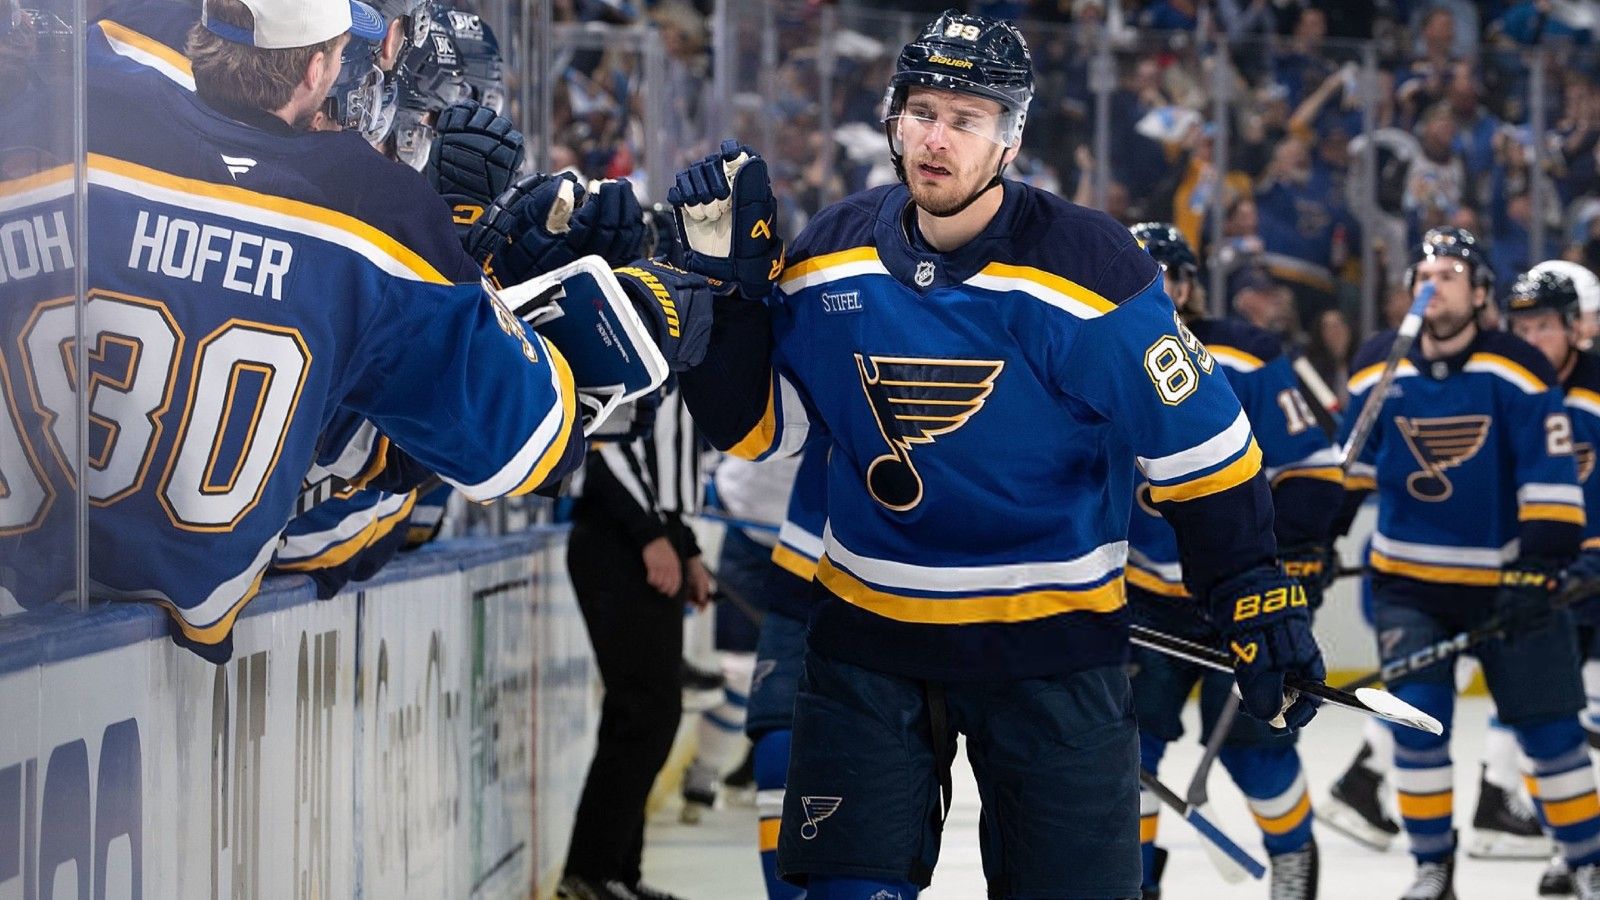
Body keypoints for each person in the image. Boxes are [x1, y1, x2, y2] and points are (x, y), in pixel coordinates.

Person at [673, 11, 1324, 898]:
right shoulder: (830, 252)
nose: (935, 139)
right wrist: (724, 304)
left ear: (1010, 140)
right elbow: (762, 432)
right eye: (921, 112)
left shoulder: (1090, 267)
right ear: (893, 121)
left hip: (1051, 652)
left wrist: (1248, 586)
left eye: (965, 118)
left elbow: (1203, 445)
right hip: (868, 645)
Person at [4, 0, 705, 660]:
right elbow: (532, 447)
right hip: (180, 619)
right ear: (318, 69)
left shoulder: (80, 124)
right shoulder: (374, 212)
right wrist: (611, 307)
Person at [1334, 227, 1600, 900]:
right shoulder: (1375, 365)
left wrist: (1539, 567)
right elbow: (1348, 471)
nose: (1434, 285)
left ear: (1481, 293)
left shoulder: (1517, 367)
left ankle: (1587, 861)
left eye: (1450, 274)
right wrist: (1309, 544)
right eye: (1425, 274)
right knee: (1415, 730)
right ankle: (1432, 868)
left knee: (1552, 735)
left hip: (1508, 582)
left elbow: (1548, 473)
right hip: (1409, 586)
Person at [1125, 223, 1343, 900]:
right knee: (1129, 754)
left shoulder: (1245, 354)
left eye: (1168, 273)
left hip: (1237, 599)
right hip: (1139, 602)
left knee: (1259, 747)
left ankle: (1293, 857)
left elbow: (1312, 469)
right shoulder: (1091, 351)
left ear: (1189, 285)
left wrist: (1296, 553)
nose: (1156, 286)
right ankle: (1135, 881)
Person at [558, 385, 709, 900]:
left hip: (647, 532)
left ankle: (616, 871)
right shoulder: (650, 344)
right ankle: (592, 871)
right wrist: (650, 536)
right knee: (646, 710)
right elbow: (607, 443)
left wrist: (686, 546)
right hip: (619, 537)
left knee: (643, 711)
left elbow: (663, 466)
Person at [1504, 268, 1600, 896]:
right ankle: (1576, 848)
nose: (1534, 339)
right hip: (1550, 583)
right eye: (1523, 328)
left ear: (1573, 327)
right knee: (1543, 730)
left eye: (1544, 326)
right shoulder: (1508, 387)